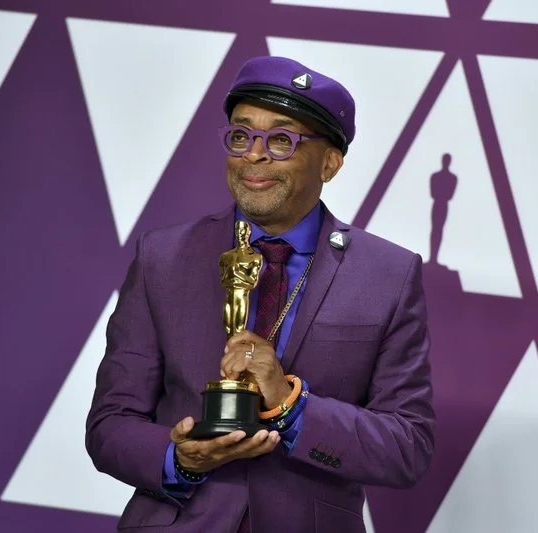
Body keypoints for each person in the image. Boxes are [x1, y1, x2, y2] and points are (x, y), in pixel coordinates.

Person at [86, 55, 435, 533]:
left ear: (330, 162)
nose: (254, 154)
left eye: (281, 140)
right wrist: (179, 459)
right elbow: (110, 423)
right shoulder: (162, 257)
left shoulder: (387, 274)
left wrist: (292, 405)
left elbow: (407, 446)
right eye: (241, 135)